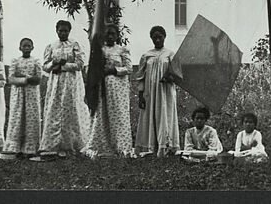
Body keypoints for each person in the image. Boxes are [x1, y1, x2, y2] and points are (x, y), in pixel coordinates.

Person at [32, 19, 90, 161]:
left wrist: (64, 66)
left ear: (69, 31)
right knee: (55, 109)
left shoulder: (74, 44)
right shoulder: (51, 46)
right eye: (60, 30)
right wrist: (54, 63)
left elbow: (80, 64)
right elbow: (45, 66)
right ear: (56, 30)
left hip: (71, 82)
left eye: (65, 31)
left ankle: (72, 145)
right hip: (56, 82)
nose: (62, 33)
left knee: (70, 109)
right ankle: (53, 145)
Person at [83, 24, 133, 158]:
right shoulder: (100, 50)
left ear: (117, 36)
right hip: (102, 87)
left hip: (118, 89)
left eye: (113, 34)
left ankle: (121, 146)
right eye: (107, 34)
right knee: (102, 114)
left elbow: (129, 69)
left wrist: (113, 70)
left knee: (118, 115)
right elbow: (92, 69)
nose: (110, 36)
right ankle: (103, 145)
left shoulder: (122, 50)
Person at [134, 25, 180, 157]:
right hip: (150, 92)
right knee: (150, 115)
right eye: (155, 38)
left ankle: (165, 147)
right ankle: (150, 148)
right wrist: (141, 96)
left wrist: (169, 78)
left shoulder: (170, 54)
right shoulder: (146, 55)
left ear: (164, 37)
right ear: (151, 39)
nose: (157, 40)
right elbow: (141, 77)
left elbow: (178, 75)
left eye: (160, 37)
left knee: (165, 115)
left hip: (165, 92)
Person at [2, 38, 43, 159]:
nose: (26, 48)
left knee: (31, 117)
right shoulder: (15, 61)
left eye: (28, 46)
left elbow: (38, 79)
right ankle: (14, 147)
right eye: (24, 46)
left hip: (31, 94)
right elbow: (11, 79)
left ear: (32, 47)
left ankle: (30, 148)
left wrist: (22, 78)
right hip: (18, 94)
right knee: (17, 116)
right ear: (20, 48)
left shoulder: (36, 60)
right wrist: (27, 79)